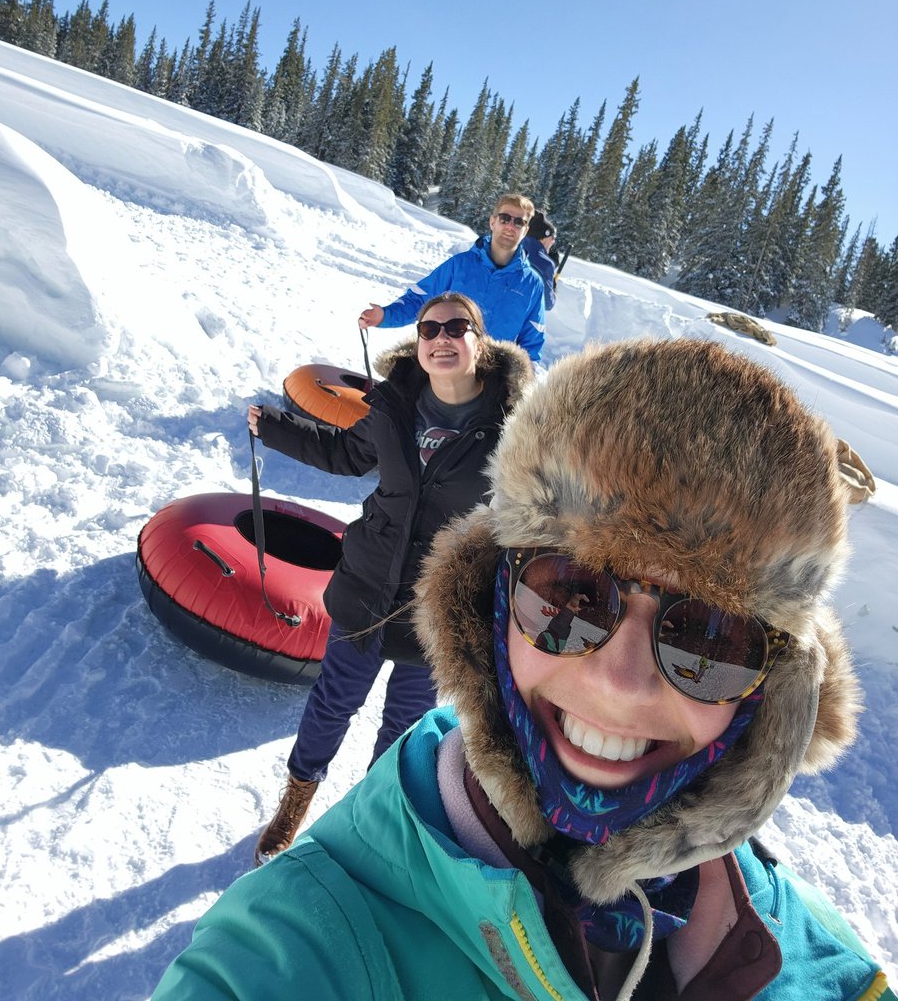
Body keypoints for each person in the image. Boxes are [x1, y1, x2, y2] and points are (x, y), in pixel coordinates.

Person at [153, 339, 894, 1001]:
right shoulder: (307, 945)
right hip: (366, 600)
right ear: (490, 603)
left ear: (774, 693)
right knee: (335, 707)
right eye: (568, 597)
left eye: (709, 643)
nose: (619, 684)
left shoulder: (828, 971)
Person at [246, 292, 531, 866]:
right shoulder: (393, 403)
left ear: (481, 340)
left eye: (458, 327)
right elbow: (347, 455)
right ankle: (295, 801)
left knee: (404, 726)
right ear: (418, 343)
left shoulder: (514, 427)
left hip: (436, 603)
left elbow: (536, 509)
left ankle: (368, 822)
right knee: (332, 702)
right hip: (368, 583)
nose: (442, 338)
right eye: (430, 329)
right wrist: (275, 428)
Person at [359, 193, 546, 363]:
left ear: (526, 230)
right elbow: (419, 299)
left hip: (491, 377)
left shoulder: (533, 284)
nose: (510, 226)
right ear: (492, 222)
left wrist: (520, 383)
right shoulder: (460, 265)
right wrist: (385, 316)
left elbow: (531, 345)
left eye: (518, 222)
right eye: (505, 218)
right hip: (444, 360)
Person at [522, 208, 559, 311]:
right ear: (543, 237)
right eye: (552, 238)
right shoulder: (545, 264)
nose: (553, 242)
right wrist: (553, 288)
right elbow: (547, 304)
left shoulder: (514, 246)